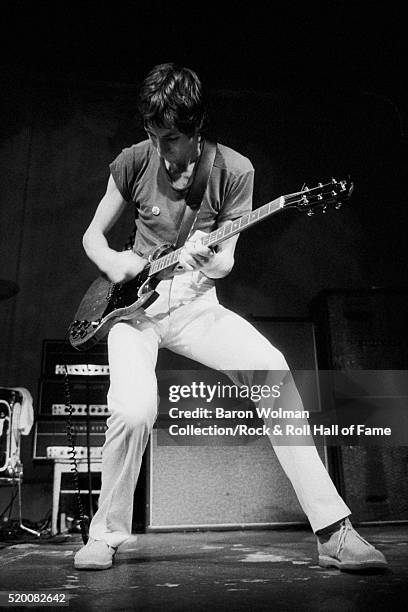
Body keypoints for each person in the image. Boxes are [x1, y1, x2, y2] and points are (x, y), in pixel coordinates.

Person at [74, 63, 387, 571]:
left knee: (273, 371)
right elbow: (92, 236)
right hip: (132, 310)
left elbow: (226, 260)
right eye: (152, 136)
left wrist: (207, 257)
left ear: (197, 130)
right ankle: (106, 534)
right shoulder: (133, 161)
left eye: (170, 138)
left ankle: (334, 531)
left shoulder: (234, 170)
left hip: (196, 304)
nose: (160, 149)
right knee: (132, 411)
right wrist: (116, 262)